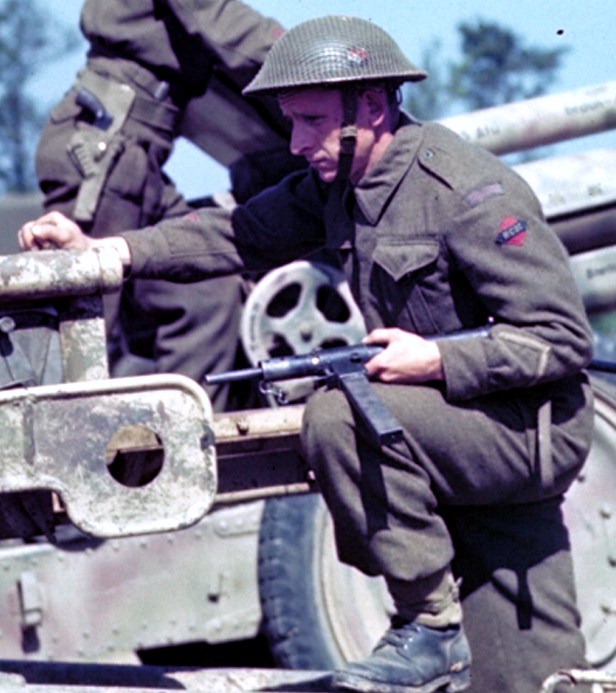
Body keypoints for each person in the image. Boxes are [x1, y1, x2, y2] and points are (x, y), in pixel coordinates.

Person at [20, 15, 595, 693]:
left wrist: (434, 361)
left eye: (311, 121)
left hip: (522, 435)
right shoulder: (339, 190)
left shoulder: (464, 191)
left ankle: (430, 629)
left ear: (373, 107)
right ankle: (439, 632)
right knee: (530, 683)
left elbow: (560, 339)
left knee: (338, 415)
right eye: (290, 122)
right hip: (452, 434)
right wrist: (107, 252)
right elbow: (230, 235)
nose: (296, 143)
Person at [35, 0, 302, 410]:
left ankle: (189, 444)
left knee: (204, 291)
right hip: (107, 147)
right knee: (79, 331)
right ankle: (41, 454)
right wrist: (322, 66)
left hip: (134, 149)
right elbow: (229, 27)